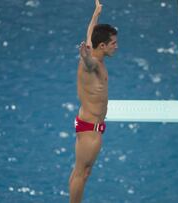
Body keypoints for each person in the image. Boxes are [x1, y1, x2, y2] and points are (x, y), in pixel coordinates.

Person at [69, 0, 118, 202]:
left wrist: (96, 13)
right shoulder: (93, 63)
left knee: (83, 172)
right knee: (81, 173)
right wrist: (85, 57)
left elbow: (90, 31)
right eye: (114, 43)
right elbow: (88, 63)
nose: (117, 46)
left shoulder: (93, 48)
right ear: (102, 46)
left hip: (91, 125)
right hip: (90, 129)